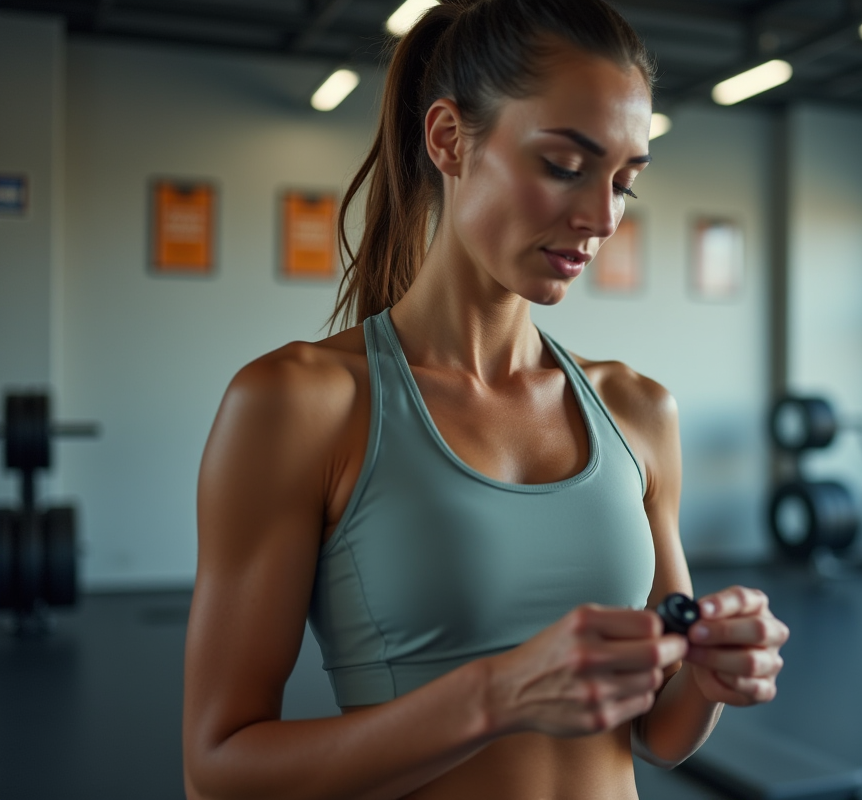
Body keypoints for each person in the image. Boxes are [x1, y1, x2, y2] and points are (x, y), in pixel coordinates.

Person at [182, 1, 788, 797]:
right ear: (448, 140)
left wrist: (711, 675)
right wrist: (496, 695)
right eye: (565, 165)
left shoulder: (639, 410)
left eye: (624, 182)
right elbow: (218, 771)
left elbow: (656, 733)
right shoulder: (299, 403)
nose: (601, 217)